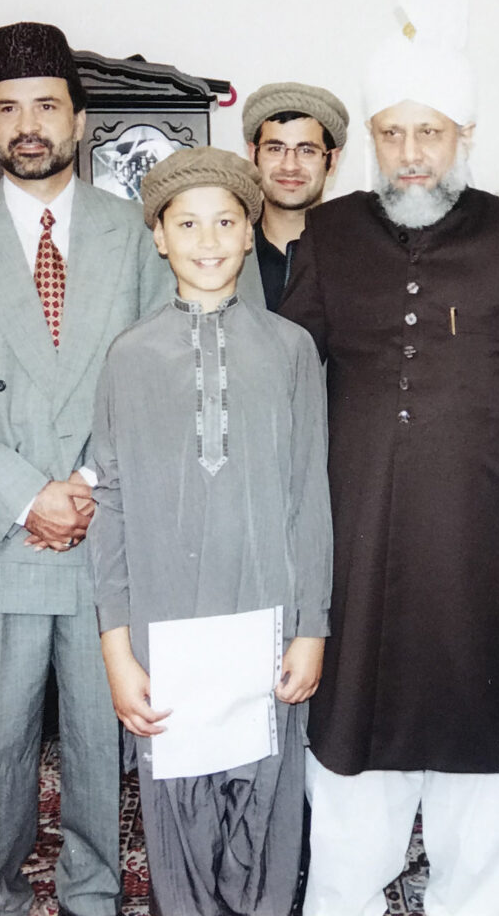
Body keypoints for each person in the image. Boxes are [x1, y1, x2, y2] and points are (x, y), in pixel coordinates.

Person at [280, 0, 499, 916]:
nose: (411, 156)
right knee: (350, 743)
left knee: (477, 746)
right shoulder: (329, 235)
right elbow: (287, 379)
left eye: (431, 133)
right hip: (354, 543)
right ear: (375, 139)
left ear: (464, 138)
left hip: (479, 548)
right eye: (394, 134)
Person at [0, 22, 171, 916]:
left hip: (102, 531)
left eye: (45, 107)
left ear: (80, 120)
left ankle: (92, 894)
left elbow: (157, 375)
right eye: (8, 108)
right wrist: (25, 496)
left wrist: (84, 489)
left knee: (103, 739)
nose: (27, 125)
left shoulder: (138, 237)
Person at [90, 146, 333, 916]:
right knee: (180, 815)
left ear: (250, 225)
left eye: (226, 220)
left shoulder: (292, 351)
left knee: (265, 813)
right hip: (169, 632)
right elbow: (114, 506)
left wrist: (312, 628)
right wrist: (117, 649)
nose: (207, 239)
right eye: (186, 222)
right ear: (158, 235)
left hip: (267, 621)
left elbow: (309, 495)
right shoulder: (128, 358)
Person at [242, 82, 349, 311]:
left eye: (307, 150)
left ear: (332, 161)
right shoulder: (226, 249)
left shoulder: (358, 252)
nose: (290, 166)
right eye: (275, 149)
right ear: (253, 155)